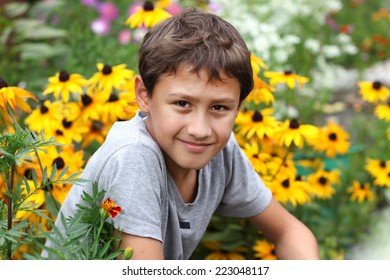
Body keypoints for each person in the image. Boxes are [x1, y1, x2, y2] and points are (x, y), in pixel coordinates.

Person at [45, 7, 319, 260]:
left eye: (219, 107)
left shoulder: (222, 149)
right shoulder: (133, 156)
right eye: (182, 104)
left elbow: (289, 232)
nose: (200, 130)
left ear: (238, 108)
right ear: (144, 95)